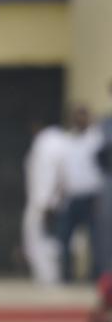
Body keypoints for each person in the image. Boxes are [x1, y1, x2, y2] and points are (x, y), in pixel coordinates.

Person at [57, 106, 104, 282]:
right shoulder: (67, 140)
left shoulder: (96, 139)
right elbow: (63, 169)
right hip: (71, 196)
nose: (80, 120)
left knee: (94, 239)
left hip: (91, 195)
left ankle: (96, 275)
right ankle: (66, 275)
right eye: (77, 117)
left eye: (83, 117)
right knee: (65, 237)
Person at [23, 118, 66, 285]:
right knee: (41, 241)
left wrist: (48, 202)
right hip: (44, 201)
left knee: (44, 241)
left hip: (44, 202)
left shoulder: (49, 143)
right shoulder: (52, 142)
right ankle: (45, 276)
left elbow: (54, 175)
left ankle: (49, 277)